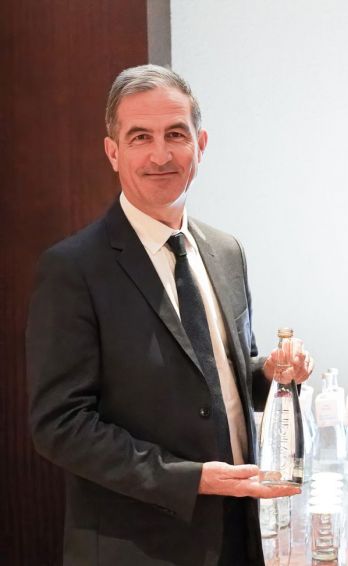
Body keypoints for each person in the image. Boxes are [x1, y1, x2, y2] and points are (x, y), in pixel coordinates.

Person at [26, 64, 313, 565]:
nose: (161, 155)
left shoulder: (226, 252)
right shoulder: (73, 269)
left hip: (237, 534)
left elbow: (219, 381)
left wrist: (269, 374)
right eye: (140, 137)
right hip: (138, 547)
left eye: (175, 135)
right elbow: (60, 425)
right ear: (113, 152)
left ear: (200, 145)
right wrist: (191, 480)